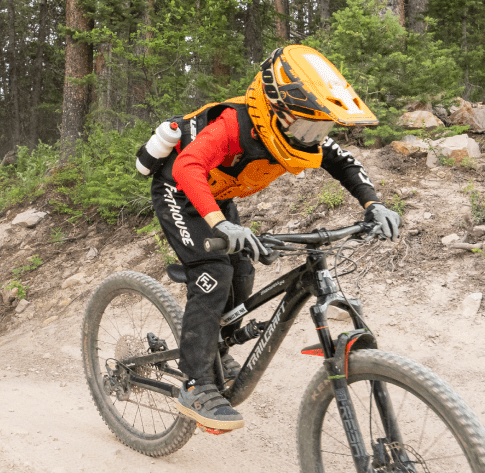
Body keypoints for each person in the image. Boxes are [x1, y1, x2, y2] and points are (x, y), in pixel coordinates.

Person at [145, 45, 402, 432]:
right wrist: (219, 223)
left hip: (217, 195)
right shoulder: (233, 126)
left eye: (320, 129)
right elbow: (188, 165)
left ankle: (218, 343)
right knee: (212, 273)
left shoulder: (302, 131)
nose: (313, 137)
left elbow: (344, 162)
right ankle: (197, 384)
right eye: (306, 127)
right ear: (277, 111)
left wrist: (373, 205)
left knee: (242, 267)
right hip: (180, 190)